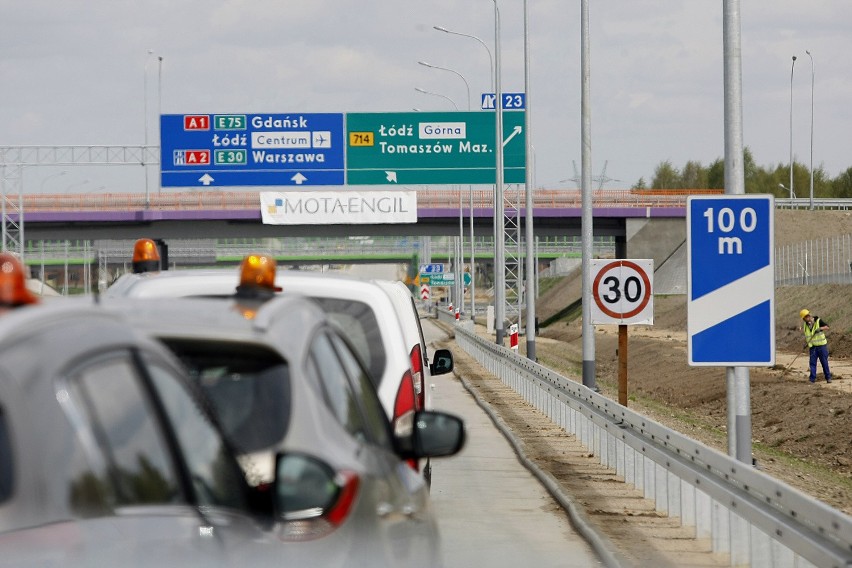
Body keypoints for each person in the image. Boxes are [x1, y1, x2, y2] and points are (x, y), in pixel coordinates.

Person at [800, 308, 832, 383]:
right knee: (812, 363)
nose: (807, 318)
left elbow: (827, 327)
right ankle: (812, 379)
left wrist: (820, 328)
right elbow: (808, 336)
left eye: (807, 316)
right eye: (805, 317)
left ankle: (828, 378)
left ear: (809, 315)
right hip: (813, 347)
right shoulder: (805, 325)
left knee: (824, 362)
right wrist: (806, 344)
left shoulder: (818, 321)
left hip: (822, 347)